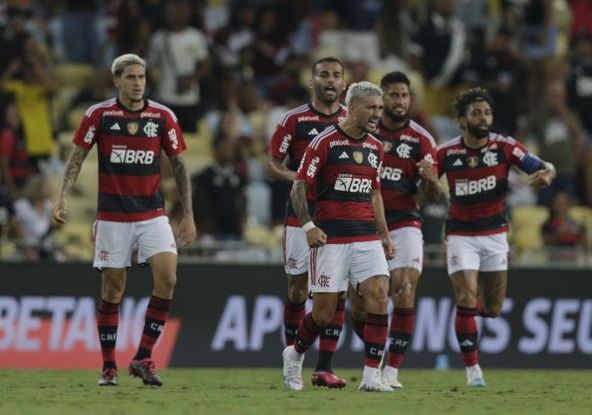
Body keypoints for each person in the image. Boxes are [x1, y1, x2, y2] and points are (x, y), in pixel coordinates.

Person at [51, 53, 196, 387]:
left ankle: (143, 357)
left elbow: (180, 166)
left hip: (152, 215)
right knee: (113, 289)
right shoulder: (99, 115)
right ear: (116, 80)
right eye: (130, 77)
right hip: (113, 217)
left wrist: (187, 215)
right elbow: (76, 159)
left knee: (169, 280)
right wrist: (61, 197)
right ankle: (108, 366)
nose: (137, 83)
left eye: (141, 77)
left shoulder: (162, 116)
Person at [436, 87, 556, 387]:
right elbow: (422, 188)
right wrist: (426, 181)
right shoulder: (447, 152)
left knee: (492, 309)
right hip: (461, 233)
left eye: (487, 112)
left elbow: (544, 165)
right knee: (465, 295)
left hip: (495, 234)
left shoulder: (505, 147)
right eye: (476, 113)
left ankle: (466, 313)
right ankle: (473, 370)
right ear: (462, 120)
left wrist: (548, 173)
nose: (483, 118)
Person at [282, 80, 396, 392]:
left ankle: (371, 377)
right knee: (322, 313)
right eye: (371, 108)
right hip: (331, 239)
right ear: (354, 106)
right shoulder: (325, 141)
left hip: (366, 238)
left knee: (379, 296)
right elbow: (298, 186)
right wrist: (308, 226)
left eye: (380, 108)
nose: (377, 114)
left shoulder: (374, 147)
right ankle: (293, 355)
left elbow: (374, 195)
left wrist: (384, 236)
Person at [348, 71, 441, 389]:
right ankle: (375, 355)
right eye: (393, 95)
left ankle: (392, 370)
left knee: (403, 288)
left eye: (404, 95)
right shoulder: (363, 134)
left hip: (405, 222)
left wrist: (429, 180)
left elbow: (433, 197)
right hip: (361, 223)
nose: (399, 101)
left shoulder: (422, 140)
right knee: (360, 308)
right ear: (380, 99)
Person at [267, 57, 348, 388]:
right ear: (312, 81)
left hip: (341, 217)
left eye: (337, 75)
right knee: (298, 290)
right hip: (301, 216)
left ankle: (324, 368)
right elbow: (272, 164)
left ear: (344, 84)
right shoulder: (294, 120)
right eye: (324, 74)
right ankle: (292, 361)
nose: (331, 80)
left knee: (337, 292)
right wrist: (299, 178)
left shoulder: (352, 120)